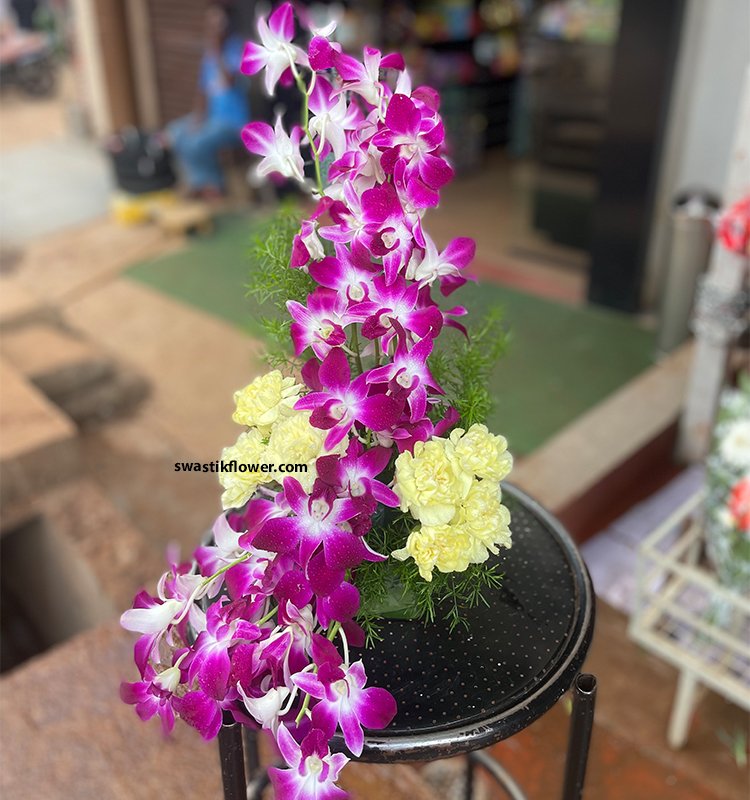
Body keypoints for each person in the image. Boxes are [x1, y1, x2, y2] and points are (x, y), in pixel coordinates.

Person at [166, 2, 248, 199]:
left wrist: (217, 49)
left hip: (233, 123)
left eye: (217, 22)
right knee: (174, 134)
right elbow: (202, 91)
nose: (212, 28)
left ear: (228, 24)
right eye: (210, 22)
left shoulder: (238, 48)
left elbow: (229, 82)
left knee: (197, 143)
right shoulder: (209, 53)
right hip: (212, 118)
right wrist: (198, 118)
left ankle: (214, 188)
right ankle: (202, 183)